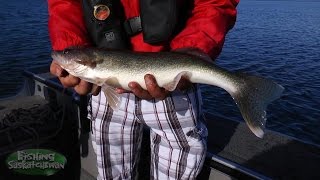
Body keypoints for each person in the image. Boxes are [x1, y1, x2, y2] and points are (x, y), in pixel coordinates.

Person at [48, 0, 239, 179]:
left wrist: (192, 50)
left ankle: (240, 88)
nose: (62, 55)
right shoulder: (86, 62)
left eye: (66, 54)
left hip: (173, 81)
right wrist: (68, 44)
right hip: (104, 90)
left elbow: (215, 3)